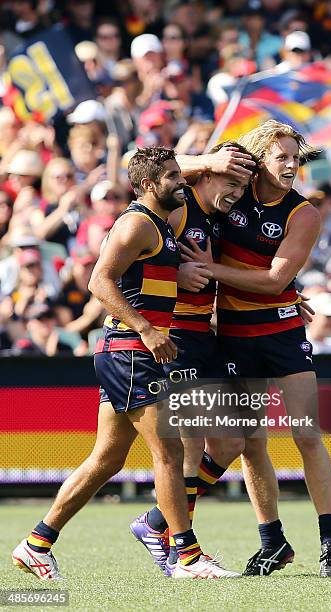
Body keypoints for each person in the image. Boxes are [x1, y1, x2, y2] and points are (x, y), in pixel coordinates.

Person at [11, 147, 238, 581]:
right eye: (172, 176)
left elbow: (145, 275)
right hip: (132, 351)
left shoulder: (161, 222)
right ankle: (187, 558)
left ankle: (37, 543)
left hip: (127, 353)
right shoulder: (136, 222)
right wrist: (147, 329)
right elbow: (100, 280)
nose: (181, 181)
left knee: (107, 460)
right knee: (169, 453)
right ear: (149, 184)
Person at [177, 120, 331, 577]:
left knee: (307, 435)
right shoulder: (231, 187)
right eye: (282, 157)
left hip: (282, 333)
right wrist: (210, 160)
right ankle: (273, 542)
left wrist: (211, 271)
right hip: (234, 336)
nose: (292, 165)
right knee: (250, 443)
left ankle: (330, 542)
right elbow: (159, 170)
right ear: (259, 160)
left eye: (296, 157)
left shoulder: (303, 213)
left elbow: (274, 280)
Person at [130, 141, 259, 574]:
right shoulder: (179, 202)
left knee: (230, 442)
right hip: (173, 334)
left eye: (243, 186)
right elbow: (140, 189)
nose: (236, 192)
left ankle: (155, 523)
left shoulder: (217, 219)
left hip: (203, 335)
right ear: (205, 173)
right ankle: (183, 552)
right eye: (230, 180)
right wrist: (175, 273)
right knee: (188, 447)